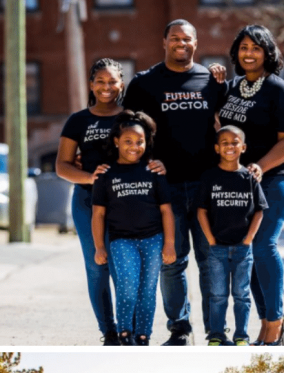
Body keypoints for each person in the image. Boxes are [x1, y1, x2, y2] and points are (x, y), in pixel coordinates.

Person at [123, 19, 230, 346]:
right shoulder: (144, 84)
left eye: (187, 39)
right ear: (164, 41)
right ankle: (180, 329)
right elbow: (128, 134)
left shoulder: (212, 81)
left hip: (205, 187)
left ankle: (216, 331)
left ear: (195, 44)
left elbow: (229, 128)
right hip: (164, 188)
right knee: (171, 262)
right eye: (175, 38)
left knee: (211, 261)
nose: (181, 43)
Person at [217, 25, 284, 346]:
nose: (249, 53)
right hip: (241, 184)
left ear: (268, 53)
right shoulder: (233, 87)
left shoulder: (279, 90)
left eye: (256, 48)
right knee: (247, 253)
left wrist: (259, 165)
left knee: (263, 244)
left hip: (276, 177)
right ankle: (270, 324)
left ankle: (274, 322)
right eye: (243, 48)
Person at [91, 110, 177, 345]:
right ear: (117, 141)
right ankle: (125, 333)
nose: (134, 146)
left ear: (146, 142)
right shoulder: (106, 174)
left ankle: (143, 335)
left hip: (153, 239)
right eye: (127, 141)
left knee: (148, 290)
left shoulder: (153, 171)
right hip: (122, 240)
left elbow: (166, 210)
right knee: (128, 287)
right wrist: (99, 247)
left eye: (139, 141)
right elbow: (98, 214)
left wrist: (169, 243)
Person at [56, 58, 126, 345]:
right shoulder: (78, 121)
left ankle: (127, 329)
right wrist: (91, 178)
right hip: (87, 202)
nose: (106, 87)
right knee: (97, 266)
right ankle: (109, 331)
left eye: (112, 82)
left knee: (125, 267)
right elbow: (62, 166)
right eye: (100, 81)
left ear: (121, 84)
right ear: (91, 84)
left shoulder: (132, 117)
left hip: (127, 203)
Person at [197, 126, 268, 346]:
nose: (230, 146)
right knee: (217, 295)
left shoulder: (249, 177)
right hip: (217, 248)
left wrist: (248, 240)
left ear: (243, 147)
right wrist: (210, 240)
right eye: (225, 142)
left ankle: (241, 336)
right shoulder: (209, 177)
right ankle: (217, 334)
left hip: (242, 248)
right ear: (217, 148)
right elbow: (201, 211)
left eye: (235, 142)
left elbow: (259, 210)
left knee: (241, 295)